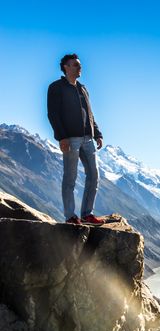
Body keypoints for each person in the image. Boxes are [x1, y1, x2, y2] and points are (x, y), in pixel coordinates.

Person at [47, 53, 105, 225]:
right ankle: (71, 217)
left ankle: (87, 214)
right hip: (70, 139)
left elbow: (90, 114)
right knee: (70, 178)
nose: (80, 68)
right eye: (76, 65)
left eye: (79, 65)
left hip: (88, 139)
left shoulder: (83, 89)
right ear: (66, 67)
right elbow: (53, 114)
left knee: (94, 176)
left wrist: (98, 133)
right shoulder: (56, 87)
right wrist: (62, 137)